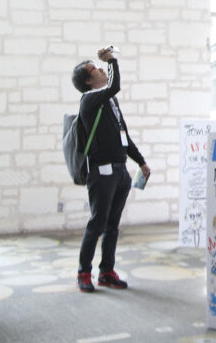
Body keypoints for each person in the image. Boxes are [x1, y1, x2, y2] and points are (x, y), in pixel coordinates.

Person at [71, 47, 151, 293]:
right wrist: (112, 61)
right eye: (94, 68)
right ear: (87, 81)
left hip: (120, 172)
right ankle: (84, 272)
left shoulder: (110, 102)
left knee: (112, 225)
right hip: (101, 172)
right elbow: (114, 85)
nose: (100, 69)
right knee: (97, 223)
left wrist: (140, 162)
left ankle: (106, 271)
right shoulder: (90, 100)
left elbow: (123, 135)